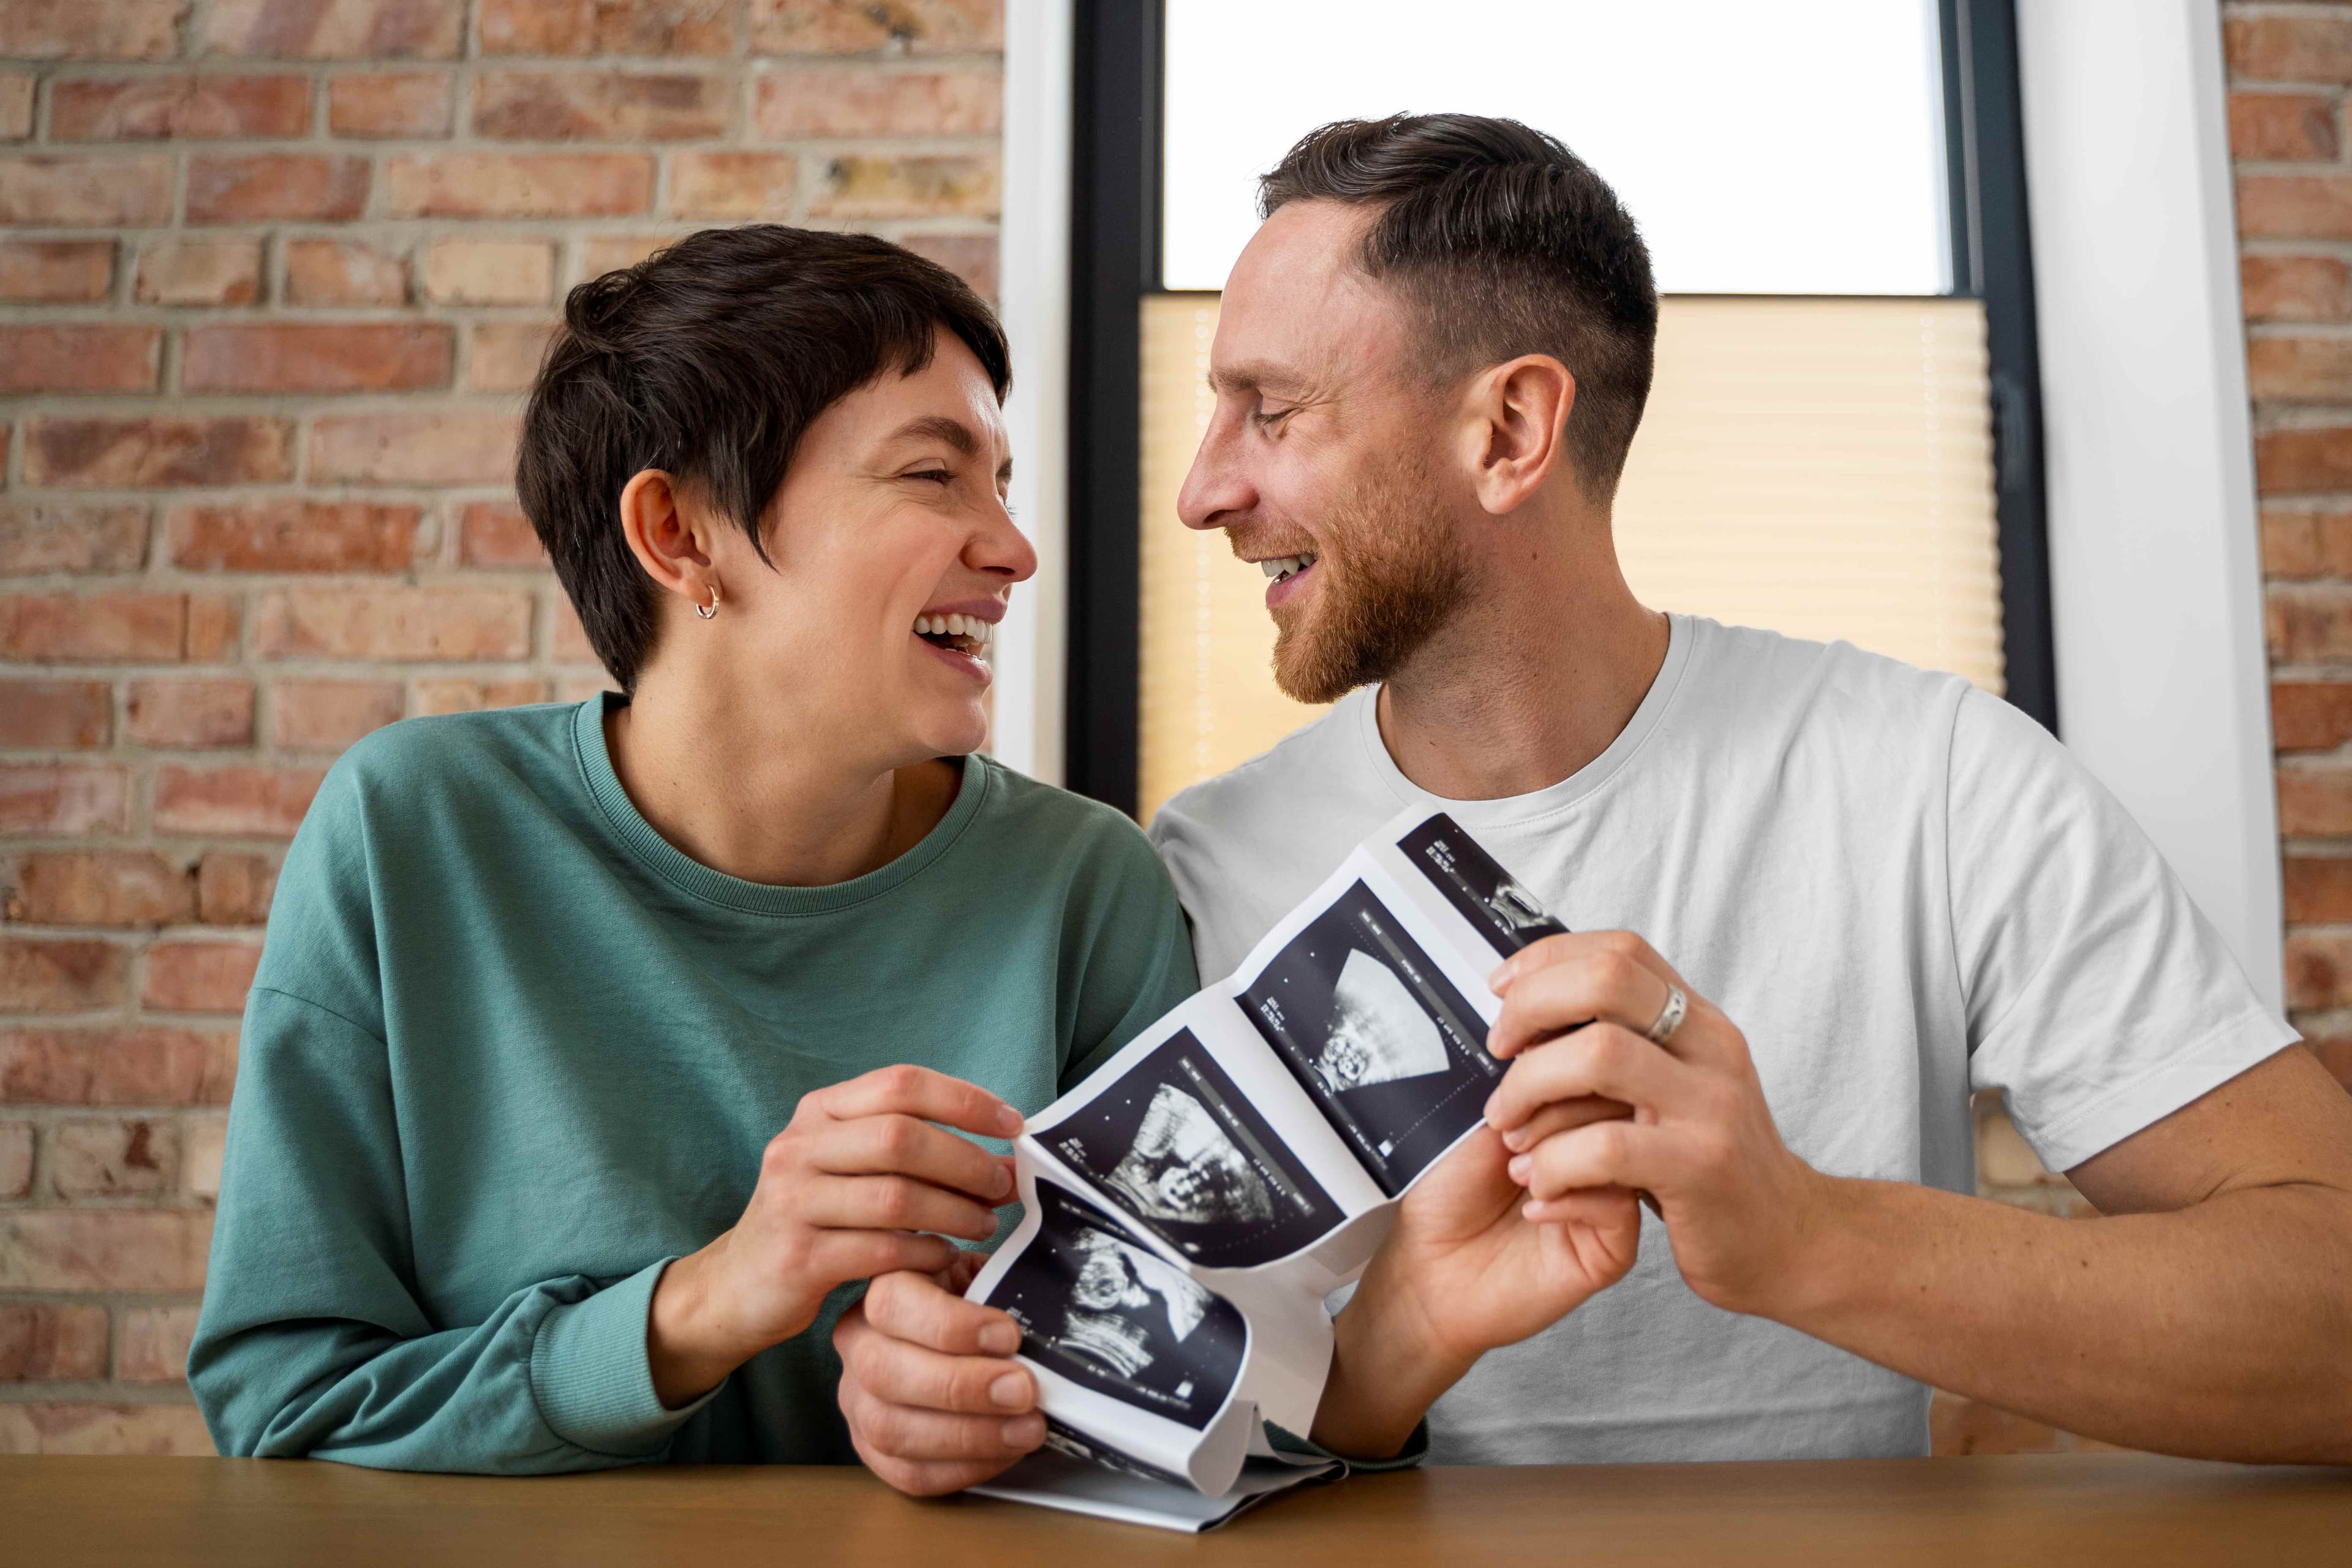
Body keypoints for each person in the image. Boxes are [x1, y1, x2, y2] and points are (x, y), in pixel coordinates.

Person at [836, 114, 2352, 1476]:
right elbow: (1179, 1416)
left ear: (1508, 431)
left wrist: (1805, 1235)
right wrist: (959, 1392)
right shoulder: (1209, 867)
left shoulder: (1936, 781)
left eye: (1271, 411)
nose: (1203, 489)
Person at [186, 226, 1200, 1472]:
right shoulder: (416, 834)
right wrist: (707, 1301)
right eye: (936, 475)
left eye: (1002, 480)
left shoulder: (1088, 889)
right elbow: (287, 1412)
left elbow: (1187, 1394)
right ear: (679, 533)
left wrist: (1010, 1413)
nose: (1013, 547)